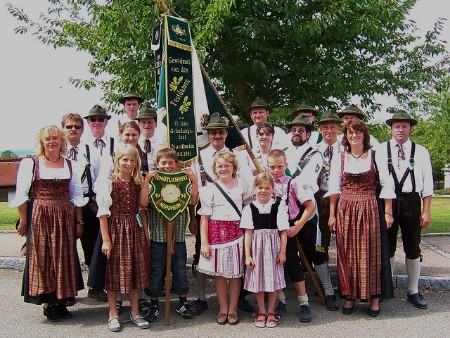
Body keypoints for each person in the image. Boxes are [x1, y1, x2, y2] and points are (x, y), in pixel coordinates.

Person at [10, 125, 85, 321]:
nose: (52, 141)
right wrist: (24, 221)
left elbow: (77, 195)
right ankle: (47, 303)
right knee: (44, 257)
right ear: (41, 143)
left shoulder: (70, 165)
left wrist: (79, 221)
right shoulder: (31, 163)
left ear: (61, 141)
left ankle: (60, 302)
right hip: (41, 214)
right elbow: (22, 195)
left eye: (55, 138)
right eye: (47, 139)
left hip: (64, 215)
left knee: (64, 257)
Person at [327, 119, 395, 317]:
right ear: (346, 137)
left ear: (364, 135)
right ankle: (350, 296)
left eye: (358, 132)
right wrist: (332, 215)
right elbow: (334, 187)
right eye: (350, 133)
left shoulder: (375, 155)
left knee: (371, 253)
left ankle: (374, 298)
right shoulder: (339, 158)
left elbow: (386, 184)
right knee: (347, 253)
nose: (354, 136)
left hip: (370, 206)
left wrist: (388, 212)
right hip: (346, 208)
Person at [190, 112, 254, 316]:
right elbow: (196, 190)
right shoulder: (198, 155)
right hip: (208, 216)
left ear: (226, 133)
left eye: (221, 132)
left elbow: (247, 191)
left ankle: (237, 301)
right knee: (203, 254)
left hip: (234, 217)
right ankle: (202, 298)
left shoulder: (239, 155)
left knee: (236, 264)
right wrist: (193, 217)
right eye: (213, 132)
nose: (217, 135)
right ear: (208, 134)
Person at [375, 110, 433, 309]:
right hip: (388, 202)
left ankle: (413, 290)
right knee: (387, 246)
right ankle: (387, 287)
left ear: (410, 128)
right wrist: (387, 211)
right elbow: (382, 181)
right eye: (397, 126)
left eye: (404, 126)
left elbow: (428, 184)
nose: (400, 129)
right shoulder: (381, 150)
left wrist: (426, 211)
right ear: (391, 129)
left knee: (413, 246)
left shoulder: (421, 151)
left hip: (411, 202)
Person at [96, 145, 151, 332]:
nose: (128, 164)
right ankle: (113, 314)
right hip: (116, 230)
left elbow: (143, 205)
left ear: (137, 163)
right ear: (117, 161)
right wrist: (106, 239)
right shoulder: (109, 183)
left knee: (135, 272)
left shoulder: (138, 183)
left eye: (132, 160)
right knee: (114, 273)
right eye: (124, 160)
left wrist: (145, 234)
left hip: (135, 229)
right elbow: (103, 213)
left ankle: (135, 312)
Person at [197, 151, 253, 325]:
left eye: (227, 165)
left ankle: (233, 308)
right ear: (215, 169)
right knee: (220, 274)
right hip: (216, 235)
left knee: (235, 274)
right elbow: (204, 218)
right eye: (220, 166)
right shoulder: (208, 190)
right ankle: (223, 308)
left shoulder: (243, 186)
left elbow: (248, 207)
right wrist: (204, 243)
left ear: (234, 167)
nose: (223, 169)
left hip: (236, 233)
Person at [144, 148, 198, 321]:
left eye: (170, 162)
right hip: (158, 238)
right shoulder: (153, 184)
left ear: (177, 164)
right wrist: (146, 181)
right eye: (163, 163)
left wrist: (194, 180)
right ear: (157, 164)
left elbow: (193, 200)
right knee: (156, 271)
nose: (167, 166)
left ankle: (182, 302)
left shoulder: (183, 182)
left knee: (180, 270)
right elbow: (143, 202)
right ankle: (154, 303)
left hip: (178, 237)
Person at [266, 149, 316, 323]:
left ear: (286, 165)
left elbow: (310, 206)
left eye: (280, 166)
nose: (276, 170)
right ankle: (281, 301)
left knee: (294, 265)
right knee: (275, 266)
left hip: (288, 229)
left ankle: (304, 302)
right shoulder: (264, 182)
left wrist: (299, 225)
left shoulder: (293, 183)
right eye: (272, 167)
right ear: (267, 166)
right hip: (270, 230)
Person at [62, 113, 106, 303]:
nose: (73, 130)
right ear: (63, 128)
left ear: (82, 129)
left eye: (77, 127)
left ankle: (95, 287)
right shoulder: (58, 150)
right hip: (64, 205)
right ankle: (68, 290)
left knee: (94, 248)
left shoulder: (91, 150)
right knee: (65, 249)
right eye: (69, 126)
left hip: (88, 204)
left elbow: (99, 177)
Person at [240, 172, 288, 328]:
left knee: (272, 280)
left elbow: (283, 232)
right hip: (257, 248)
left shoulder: (278, 206)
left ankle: (271, 311)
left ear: (273, 189)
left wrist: (282, 252)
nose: (263, 191)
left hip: (273, 248)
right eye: (260, 187)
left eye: (267, 188)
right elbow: (248, 233)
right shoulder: (249, 208)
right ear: (254, 188)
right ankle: (261, 310)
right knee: (258, 280)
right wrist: (247, 255)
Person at [313, 110, 344, 311]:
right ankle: (328, 289)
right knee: (320, 246)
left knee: (346, 245)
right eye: (325, 127)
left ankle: (348, 286)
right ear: (320, 129)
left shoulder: (347, 149)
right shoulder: (313, 150)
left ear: (338, 128)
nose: (329, 130)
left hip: (345, 201)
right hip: (320, 201)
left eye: (333, 126)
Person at [284, 115, 323, 192]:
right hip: (284, 197)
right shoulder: (283, 152)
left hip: (305, 199)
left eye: (300, 131)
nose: (296, 133)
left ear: (308, 135)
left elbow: (308, 181)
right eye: (293, 130)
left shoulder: (315, 155)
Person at [135, 104, 167, 170]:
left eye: (150, 122)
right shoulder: (134, 141)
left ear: (156, 123)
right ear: (139, 124)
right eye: (143, 122)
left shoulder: (163, 142)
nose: (146, 125)